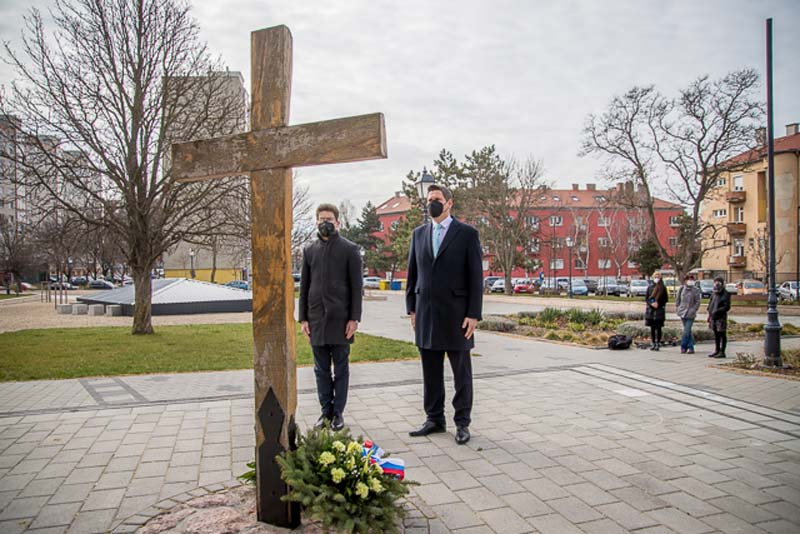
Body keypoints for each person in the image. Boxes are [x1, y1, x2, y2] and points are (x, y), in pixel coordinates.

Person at [406, 184, 483, 445]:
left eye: (436, 199)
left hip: (457, 315)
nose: (432, 204)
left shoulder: (467, 234)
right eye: (429, 200)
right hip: (426, 313)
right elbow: (412, 274)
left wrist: (474, 314)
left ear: (449, 203)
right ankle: (434, 419)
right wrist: (411, 308)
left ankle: (462, 422)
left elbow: (476, 277)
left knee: (461, 373)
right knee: (430, 371)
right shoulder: (418, 234)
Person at [298, 203, 363, 431]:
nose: (325, 222)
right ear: (316, 222)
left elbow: (357, 287)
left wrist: (354, 318)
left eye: (329, 218)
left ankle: (338, 413)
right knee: (320, 370)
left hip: (341, 320)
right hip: (315, 319)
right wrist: (303, 318)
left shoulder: (350, 249)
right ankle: (325, 412)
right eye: (321, 218)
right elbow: (304, 286)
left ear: (337, 222)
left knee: (341, 369)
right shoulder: (309, 251)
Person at [675, 274, 702, 354]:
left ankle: (683, 346)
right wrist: (678, 308)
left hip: (691, 313)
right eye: (688, 280)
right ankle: (690, 347)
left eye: (691, 280)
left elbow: (697, 301)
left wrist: (694, 309)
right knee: (688, 331)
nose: (690, 281)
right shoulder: (681, 289)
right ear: (685, 281)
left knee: (686, 330)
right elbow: (678, 300)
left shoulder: (696, 290)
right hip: (682, 312)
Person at [707, 276, 731, 359]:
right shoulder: (714, 293)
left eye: (719, 282)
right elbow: (710, 303)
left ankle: (722, 351)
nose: (717, 283)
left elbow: (726, 306)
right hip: (713, 316)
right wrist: (710, 312)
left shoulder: (725, 293)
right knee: (716, 334)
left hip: (721, 317)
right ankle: (717, 350)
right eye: (715, 281)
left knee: (722, 334)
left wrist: (717, 311)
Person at [645, 273, 668, 350]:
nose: (656, 278)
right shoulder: (650, 287)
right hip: (651, 311)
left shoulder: (663, 288)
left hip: (659, 310)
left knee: (658, 328)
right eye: (655, 277)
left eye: (658, 277)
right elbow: (647, 298)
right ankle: (653, 342)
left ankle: (658, 343)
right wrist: (652, 303)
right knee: (652, 328)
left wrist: (659, 303)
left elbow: (666, 299)